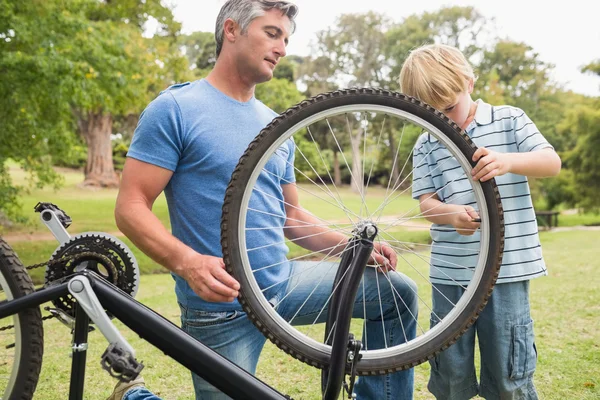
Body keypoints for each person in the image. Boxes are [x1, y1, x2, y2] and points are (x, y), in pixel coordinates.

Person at [112, 1, 418, 399]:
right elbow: (130, 206)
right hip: (220, 303)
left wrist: (354, 248)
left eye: (286, 39)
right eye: (272, 33)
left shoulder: (277, 124)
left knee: (398, 293)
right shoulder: (175, 109)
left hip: (283, 285)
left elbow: (291, 216)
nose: (283, 48)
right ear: (231, 30)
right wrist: (187, 263)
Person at [398, 43, 561, 400]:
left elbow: (551, 163)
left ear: (469, 82)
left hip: (506, 270)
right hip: (450, 274)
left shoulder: (509, 119)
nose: (443, 119)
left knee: (507, 373)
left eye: (449, 107)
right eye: (430, 111)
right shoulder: (426, 142)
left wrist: (508, 161)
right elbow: (426, 202)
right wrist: (451, 214)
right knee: (450, 374)